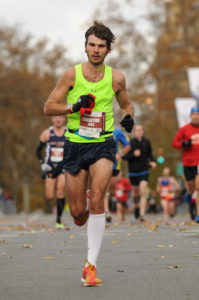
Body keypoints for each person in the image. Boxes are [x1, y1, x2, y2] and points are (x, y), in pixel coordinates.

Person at [43, 21, 134, 287]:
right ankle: (81, 204)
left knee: (97, 202)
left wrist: (128, 118)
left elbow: (127, 106)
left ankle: (90, 266)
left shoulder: (116, 77)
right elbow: (49, 107)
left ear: (108, 50)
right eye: (92, 45)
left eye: (101, 46)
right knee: (78, 215)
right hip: (74, 145)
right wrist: (74, 106)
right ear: (85, 46)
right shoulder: (71, 75)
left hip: (103, 144)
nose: (96, 50)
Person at [36, 116, 67, 229]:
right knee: (49, 195)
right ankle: (57, 215)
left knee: (60, 191)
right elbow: (38, 150)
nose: (58, 119)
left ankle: (58, 220)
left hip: (63, 167)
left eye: (60, 117)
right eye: (55, 117)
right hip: (50, 166)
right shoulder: (47, 133)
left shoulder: (68, 133)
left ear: (64, 118)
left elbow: (75, 150)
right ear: (52, 119)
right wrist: (42, 163)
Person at [123, 125, 156, 222]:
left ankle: (141, 214)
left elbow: (150, 154)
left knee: (143, 192)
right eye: (137, 130)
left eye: (141, 130)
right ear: (134, 132)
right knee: (135, 194)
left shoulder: (147, 142)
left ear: (143, 131)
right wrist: (133, 154)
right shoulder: (130, 143)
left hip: (144, 170)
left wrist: (153, 161)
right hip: (133, 172)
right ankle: (137, 208)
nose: (139, 132)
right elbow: (124, 157)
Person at [172, 106, 199, 222]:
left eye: (198, 114)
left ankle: (198, 214)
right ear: (190, 116)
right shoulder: (184, 129)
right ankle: (189, 194)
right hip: (188, 162)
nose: (196, 116)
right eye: (194, 114)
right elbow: (174, 143)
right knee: (192, 188)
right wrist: (184, 144)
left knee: (198, 187)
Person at [104, 127, 131, 222]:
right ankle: (106, 212)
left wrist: (120, 154)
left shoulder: (117, 131)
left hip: (115, 165)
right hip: (102, 163)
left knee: (113, 188)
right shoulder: (98, 129)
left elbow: (127, 146)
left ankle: (114, 206)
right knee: (104, 189)